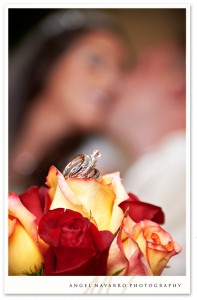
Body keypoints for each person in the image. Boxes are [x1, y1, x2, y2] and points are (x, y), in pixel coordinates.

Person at [9, 9, 129, 192]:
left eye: (119, 71)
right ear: (49, 61)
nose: (112, 83)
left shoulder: (97, 166)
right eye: (95, 61)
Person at [108, 39, 186, 275]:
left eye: (136, 68)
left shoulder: (182, 171)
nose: (116, 82)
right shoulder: (161, 167)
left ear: (177, 86)